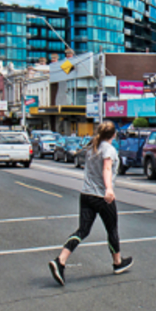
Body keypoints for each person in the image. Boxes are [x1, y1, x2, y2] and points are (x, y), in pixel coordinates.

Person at [48, 122, 133, 286]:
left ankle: (60, 260)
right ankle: (117, 263)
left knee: (83, 230)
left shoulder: (92, 147)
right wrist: (109, 189)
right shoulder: (108, 149)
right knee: (112, 229)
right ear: (113, 135)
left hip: (86, 195)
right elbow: (107, 169)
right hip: (102, 197)